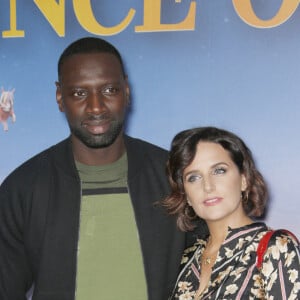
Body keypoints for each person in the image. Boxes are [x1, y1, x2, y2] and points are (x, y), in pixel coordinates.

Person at [0, 37, 190, 300]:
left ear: (127, 91)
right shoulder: (22, 189)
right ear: (59, 97)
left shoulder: (175, 178)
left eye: (110, 90)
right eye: (79, 93)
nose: (96, 107)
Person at [163, 126, 300, 299]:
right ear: (187, 195)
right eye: (194, 177)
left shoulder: (276, 248)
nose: (208, 186)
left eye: (219, 171)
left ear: (243, 180)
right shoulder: (187, 259)